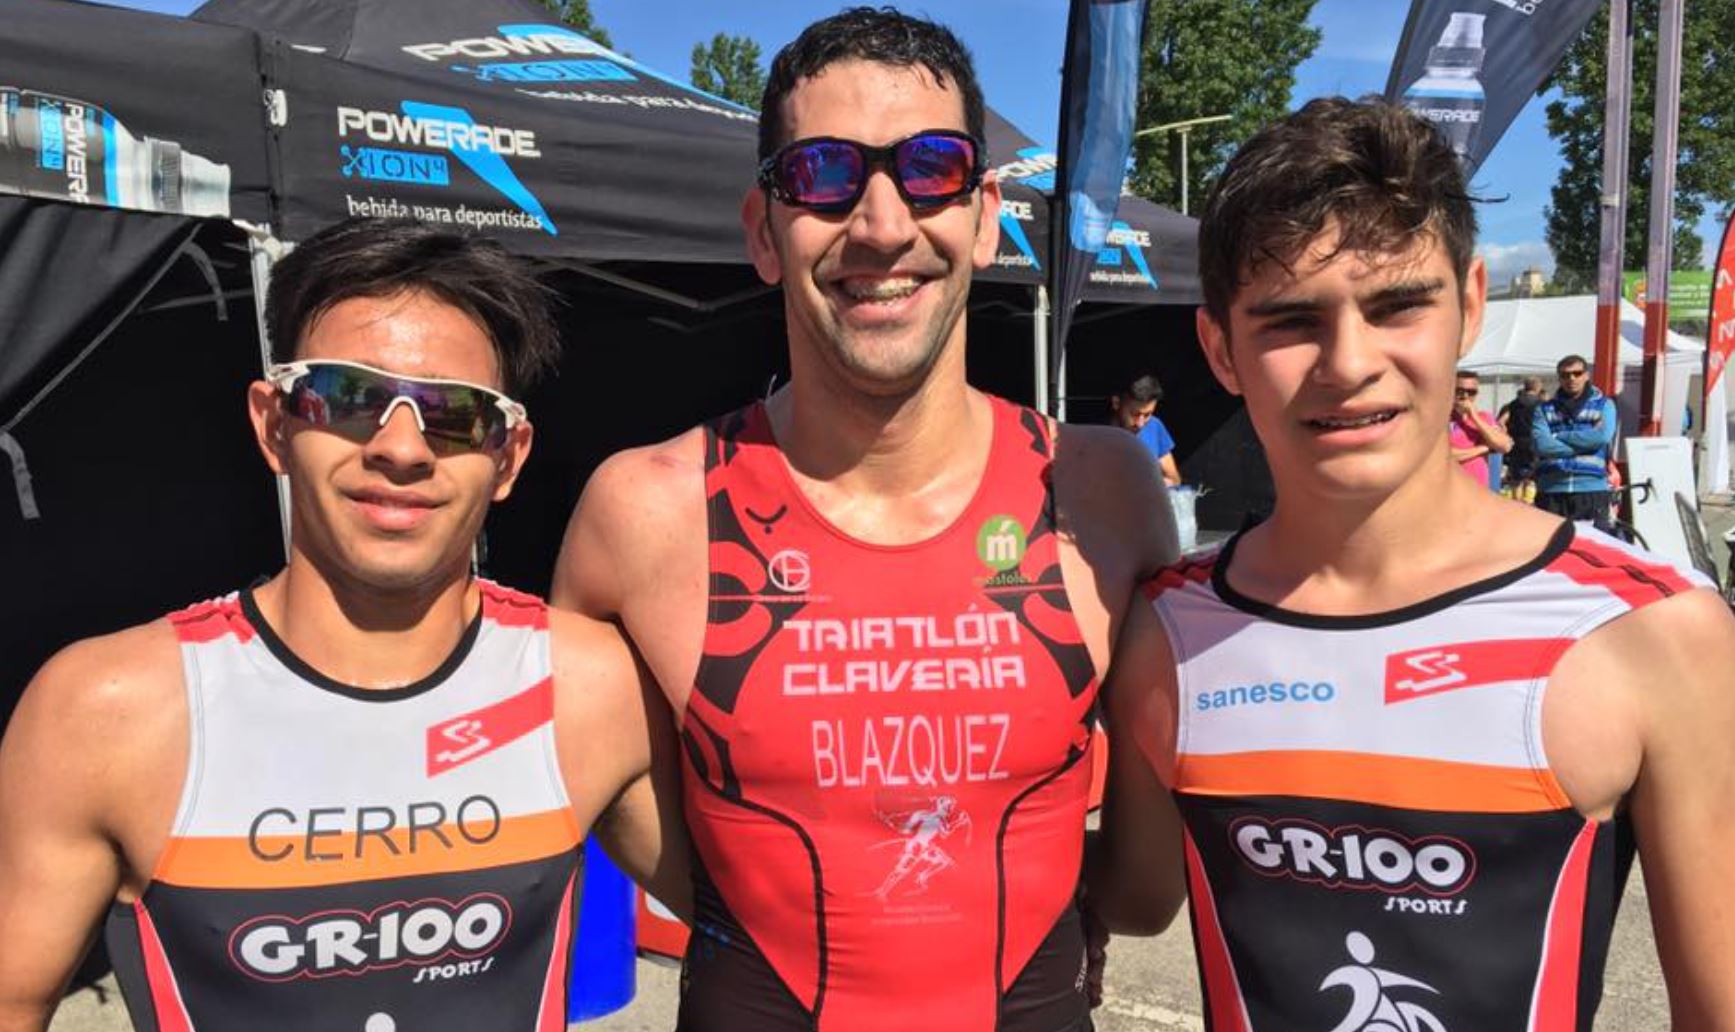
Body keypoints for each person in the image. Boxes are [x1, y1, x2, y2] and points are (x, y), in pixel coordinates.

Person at [551, 9, 1180, 1031]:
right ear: (763, 230)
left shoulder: (1101, 488)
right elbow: (605, 796)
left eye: (931, 168)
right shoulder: (641, 511)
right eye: (823, 174)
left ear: (984, 215)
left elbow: (1149, 895)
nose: (883, 225)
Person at [1091, 97, 1735, 1028]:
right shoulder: (1166, 630)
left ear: (1469, 304)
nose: (1348, 362)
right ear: (1219, 348)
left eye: (1396, 306)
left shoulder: (1651, 632)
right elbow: (1135, 899)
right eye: (1290, 320)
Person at [0, 219, 685, 1032]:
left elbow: (776, 931)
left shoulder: (590, 687)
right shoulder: (105, 709)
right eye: (350, 396)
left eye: (455, 413)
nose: (401, 448)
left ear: (508, 456)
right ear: (273, 423)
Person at [1533, 354, 1619, 534]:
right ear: (1559, 378)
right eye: (1565, 375)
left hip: (1591, 489)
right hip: (1551, 490)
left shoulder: (1605, 405)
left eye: (1577, 373)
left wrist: (1558, 435)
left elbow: (1602, 437)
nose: (1571, 378)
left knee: (1592, 547)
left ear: (1586, 375)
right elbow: (1542, 445)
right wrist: (1585, 445)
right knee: (1550, 548)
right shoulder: (1543, 409)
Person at [1109, 372, 1183, 485]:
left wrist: (1158, 484)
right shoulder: (1096, 436)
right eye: (1135, 414)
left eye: (1147, 415)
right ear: (1116, 403)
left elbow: (1174, 479)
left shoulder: (1155, 426)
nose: (1141, 424)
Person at [1447, 369, 1510, 488]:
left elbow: (1505, 446)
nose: (1465, 396)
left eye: (1471, 392)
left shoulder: (1484, 418)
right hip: (1450, 488)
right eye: (1459, 391)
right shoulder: (1442, 419)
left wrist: (1474, 417)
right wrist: (1483, 448)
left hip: (1478, 489)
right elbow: (1444, 456)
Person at [1497, 375, 1543, 501]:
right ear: (1538, 387)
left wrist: (1506, 433)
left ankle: (1516, 503)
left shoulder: (1513, 404)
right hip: (1534, 443)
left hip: (1516, 443)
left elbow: (1501, 421)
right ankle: (1528, 502)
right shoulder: (1541, 404)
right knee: (1532, 478)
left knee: (1516, 479)